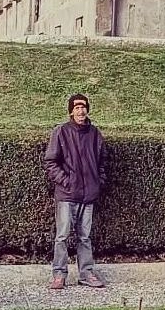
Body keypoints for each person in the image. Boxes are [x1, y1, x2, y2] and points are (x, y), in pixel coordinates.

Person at [45, 93, 107, 290]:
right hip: (67, 194)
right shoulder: (61, 132)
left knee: (85, 237)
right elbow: (51, 162)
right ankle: (59, 275)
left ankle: (86, 273)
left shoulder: (95, 134)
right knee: (62, 236)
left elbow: (102, 162)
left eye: (83, 107)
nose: (81, 111)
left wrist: (98, 182)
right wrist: (66, 182)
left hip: (88, 195)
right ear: (71, 111)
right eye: (77, 107)